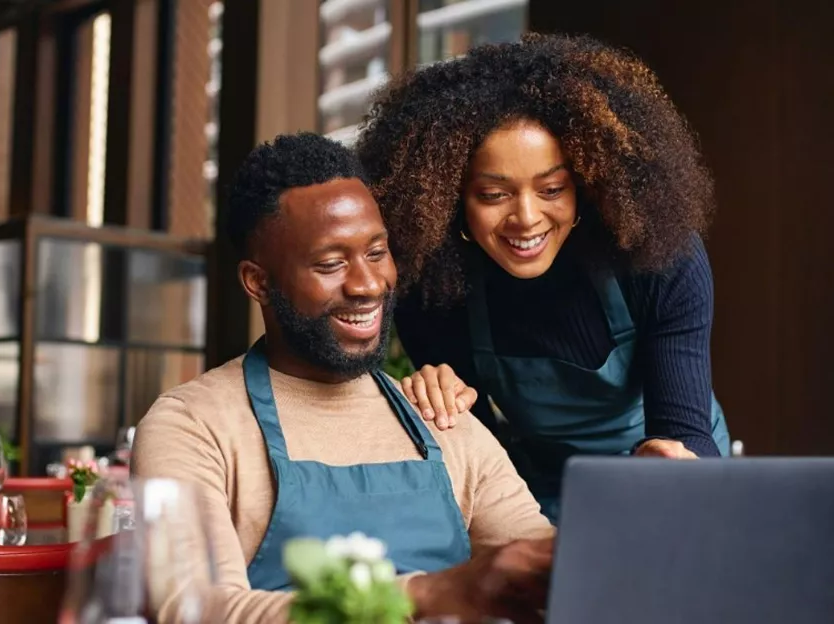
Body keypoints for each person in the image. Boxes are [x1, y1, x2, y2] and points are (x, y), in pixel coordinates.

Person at [132, 133, 554, 623]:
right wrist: (424, 595)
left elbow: (547, 573)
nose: (368, 285)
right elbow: (194, 608)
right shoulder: (192, 425)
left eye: (376, 253)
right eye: (331, 264)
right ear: (258, 281)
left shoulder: (441, 416)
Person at [355, 33, 731, 522]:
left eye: (552, 189)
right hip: (542, 488)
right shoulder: (433, 287)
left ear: (586, 184)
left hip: (668, 476)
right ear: (449, 199)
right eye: (494, 195)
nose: (527, 219)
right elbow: (479, 459)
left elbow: (686, 433)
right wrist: (440, 405)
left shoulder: (658, 257)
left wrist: (669, 462)